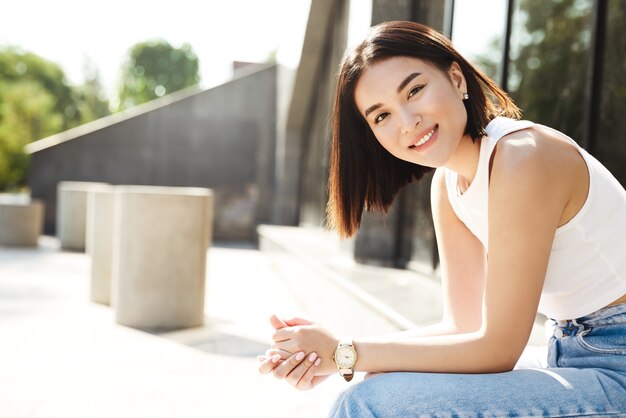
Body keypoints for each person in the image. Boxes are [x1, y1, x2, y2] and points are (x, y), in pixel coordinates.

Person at [257, 21, 626, 417]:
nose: (407, 121)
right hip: (568, 350)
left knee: (371, 404)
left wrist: (344, 355)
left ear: (455, 78)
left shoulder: (523, 157)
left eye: (414, 90)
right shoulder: (449, 187)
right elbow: (464, 327)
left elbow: (498, 347)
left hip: (616, 362)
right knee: (380, 385)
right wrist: (331, 353)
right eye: (381, 116)